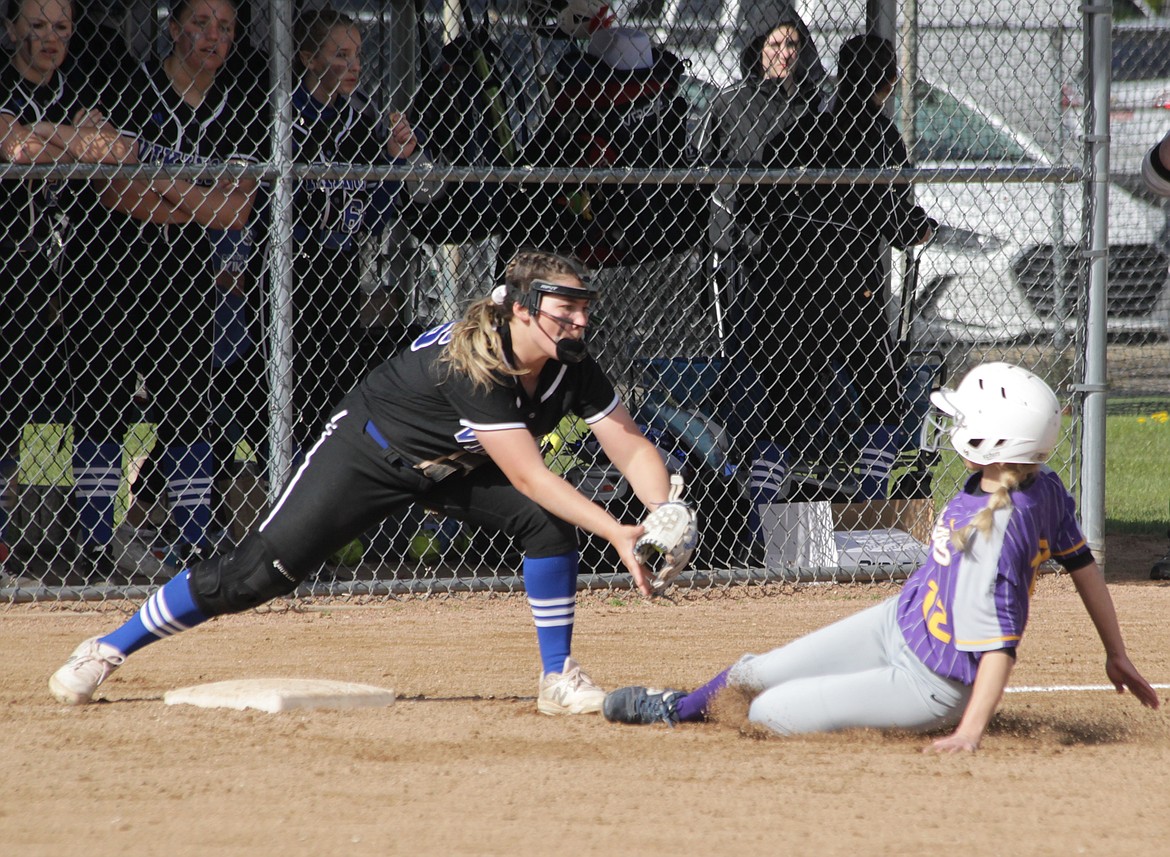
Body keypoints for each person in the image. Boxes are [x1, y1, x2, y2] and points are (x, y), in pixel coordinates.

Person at [48, 249, 679, 716]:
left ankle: (557, 680)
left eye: (582, 311)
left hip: (453, 465)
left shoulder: (573, 368)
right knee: (256, 575)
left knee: (544, 525)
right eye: (562, 310)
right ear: (518, 309)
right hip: (370, 451)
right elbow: (527, 472)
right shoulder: (476, 363)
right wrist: (619, 533)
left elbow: (628, 444)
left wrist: (662, 512)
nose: (577, 323)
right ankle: (105, 649)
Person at [603, 362, 1161, 750]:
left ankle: (889, 716)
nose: (951, 427)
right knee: (754, 671)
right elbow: (1083, 564)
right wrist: (1116, 652)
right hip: (896, 622)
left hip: (932, 684)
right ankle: (676, 709)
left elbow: (998, 649)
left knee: (766, 713)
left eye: (965, 420)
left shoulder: (996, 538)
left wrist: (969, 731)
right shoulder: (1040, 483)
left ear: (995, 442)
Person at [68, 0, 267, 577]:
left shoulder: (241, 106)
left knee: (187, 408)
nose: (213, 35)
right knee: (104, 406)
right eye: (200, 23)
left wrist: (156, 181)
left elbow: (235, 211)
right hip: (108, 266)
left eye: (224, 26)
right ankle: (94, 545)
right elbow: (112, 193)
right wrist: (193, 195)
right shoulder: (133, 85)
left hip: (183, 275)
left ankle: (194, 543)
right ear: (175, 28)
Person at [740, 34, 936, 505]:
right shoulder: (881, 136)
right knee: (883, 400)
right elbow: (899, 224)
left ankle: (756, 517)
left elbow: (750, 206)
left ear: (840, 75)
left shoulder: (800, 130)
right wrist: (923, 229)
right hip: (853, 293)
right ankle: (869, 499)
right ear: (888, 83)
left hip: (787, 289)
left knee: (785, 409)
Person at [0, 0, 133, 575]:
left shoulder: (79, 83)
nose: (50, 39)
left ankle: (90, 540)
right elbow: (19, 149)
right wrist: (72, 138)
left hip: (58, 268)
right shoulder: (5, 85)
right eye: (36, 27)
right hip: (9, 262)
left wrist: (53, 137)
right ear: (11, 30)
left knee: (41, 394)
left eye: (61, 28)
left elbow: (116, 151)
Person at [285, 7, 422, 450]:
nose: (355, 65)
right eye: (340, 53)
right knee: (282, 379)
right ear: (309, 59)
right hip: (288, 265)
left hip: (338, 264)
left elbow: (375, 212)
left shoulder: (361, 120)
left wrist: (395, 160)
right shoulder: (286, 116)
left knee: (330, 384)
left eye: (358, 53)